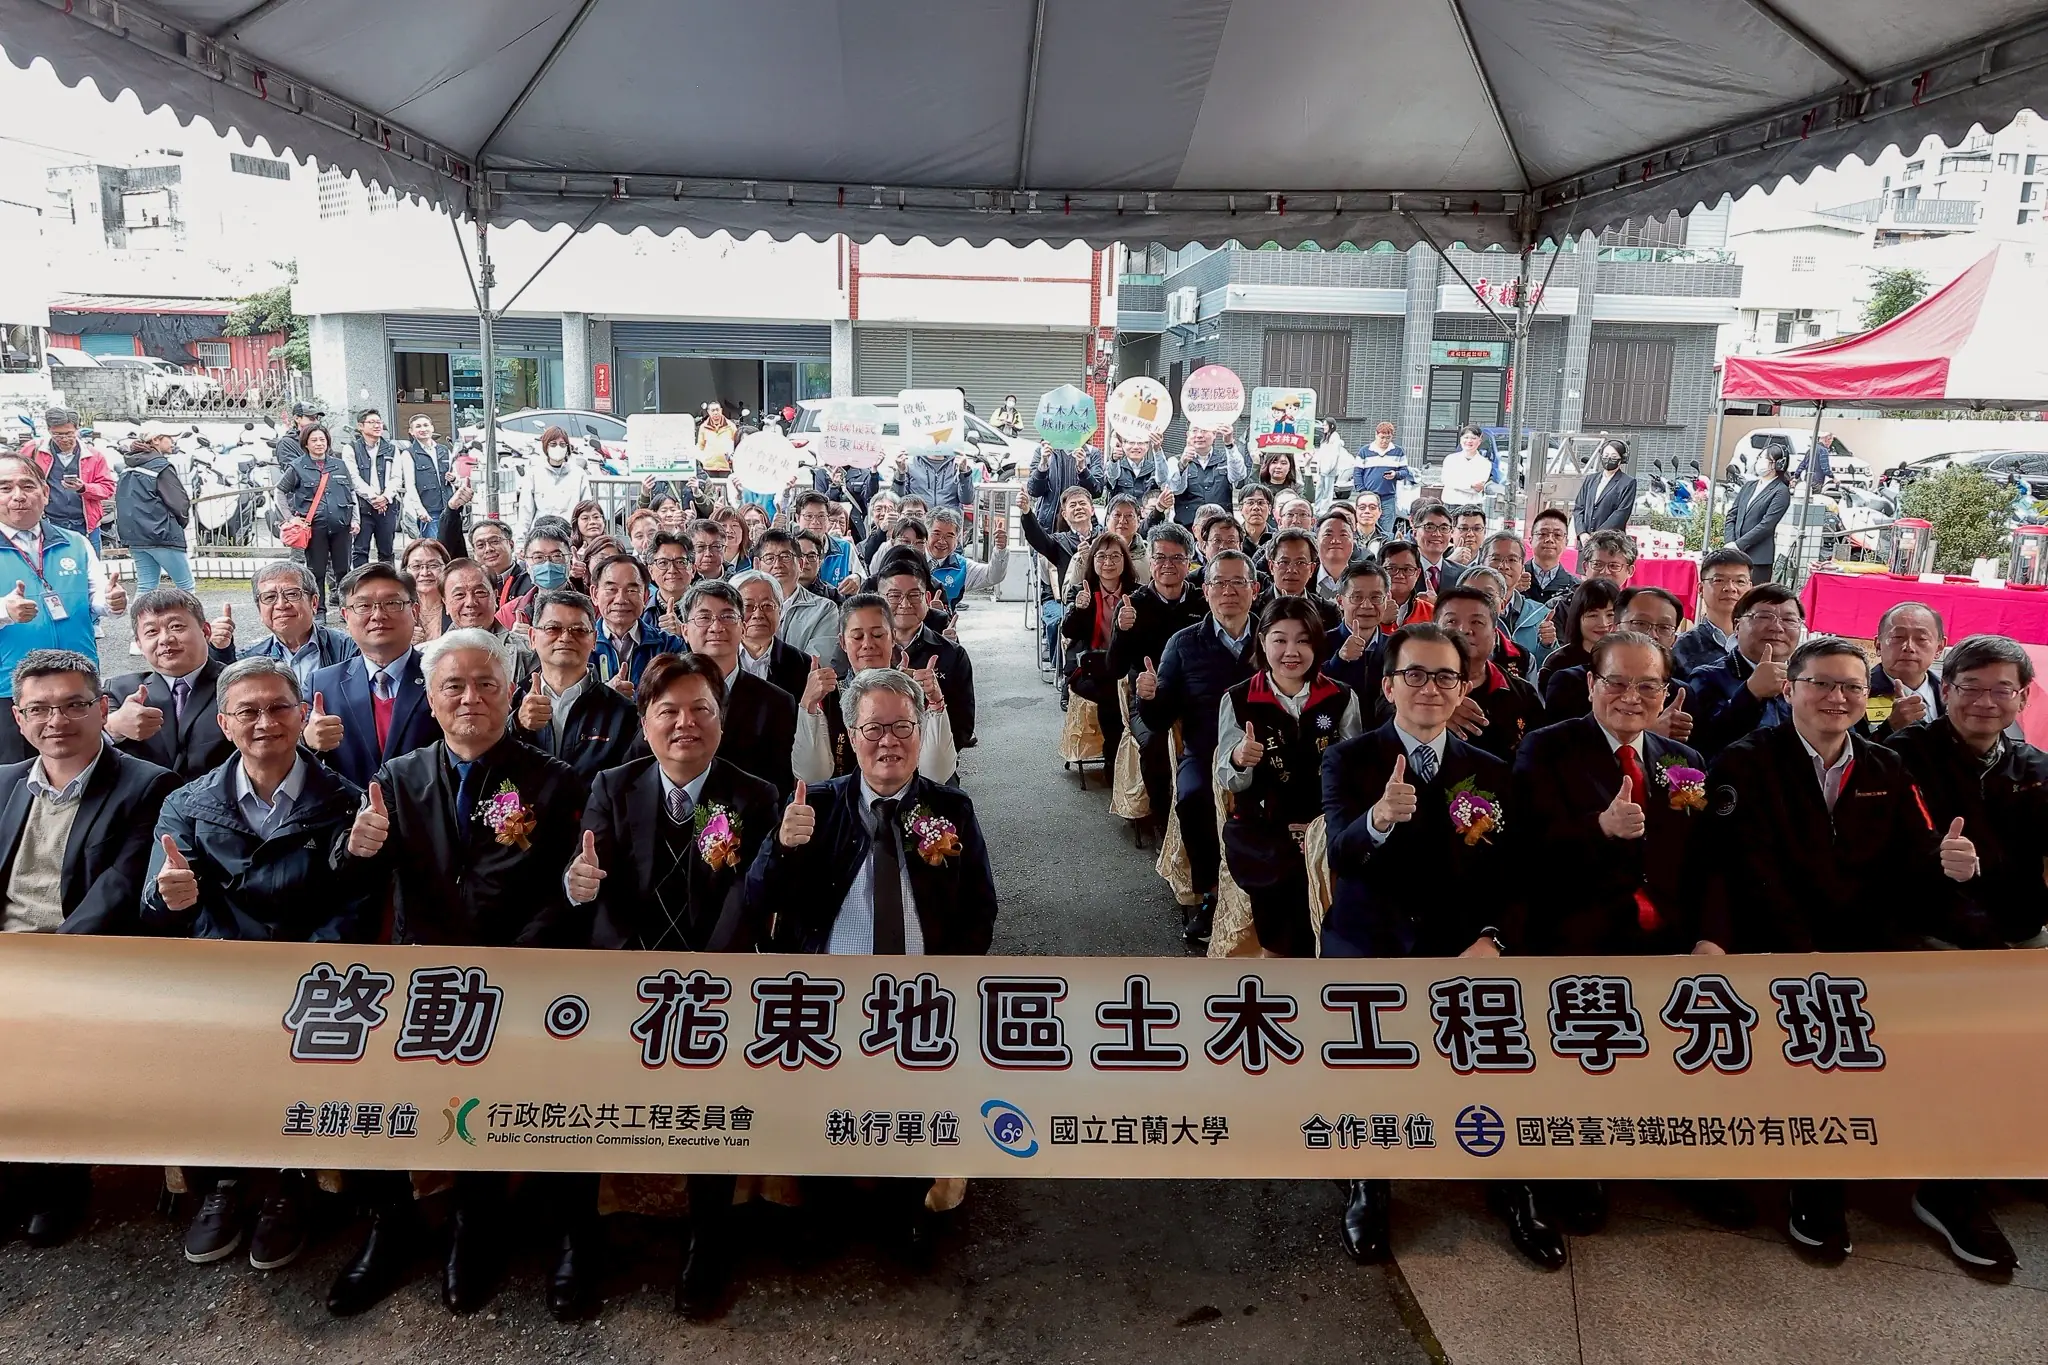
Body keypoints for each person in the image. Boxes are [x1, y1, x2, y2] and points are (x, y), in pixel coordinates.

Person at [327, 629, 586, 1319]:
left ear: (509, 691)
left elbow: (563, 887)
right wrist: (354, 850)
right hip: (423, 977)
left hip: (517, 977)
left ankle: (477, 1224)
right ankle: (391, 1224)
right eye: (453, 686)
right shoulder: (397, 777)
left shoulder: (553, 780)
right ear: (432, 698)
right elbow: (357, 881)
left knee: (490, 1102)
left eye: (485, 684)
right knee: (367, 1086)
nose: (470, 698)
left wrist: (511, 962)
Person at [1695, 637, 1978, 1264]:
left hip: (1866, 948)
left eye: (1851, 686)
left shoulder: (1885, 767)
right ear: (1790, 689)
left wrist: (1947, 864)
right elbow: (1735, 867)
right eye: (1821, 683)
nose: (1837, 697)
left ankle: (1945, 1188)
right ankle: (1814, 1182)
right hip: (1775, 947)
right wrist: (1789, 953)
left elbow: (1916, 854)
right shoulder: (1746, 761)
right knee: (1813, 1045)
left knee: (1945, 1032)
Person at [744, 667, 998, 1262]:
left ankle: (905, 1209)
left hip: (918, 997)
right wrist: (782, 847)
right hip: (829, 997)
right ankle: (825, 1210)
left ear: (920, 732)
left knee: (911, 1111)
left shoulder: (950, 808)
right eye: (874, 729)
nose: (889, 742)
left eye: (902, 727)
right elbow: (759, 899)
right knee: (826, 1111)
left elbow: (980, 908)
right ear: (850, 738)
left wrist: (949, 984)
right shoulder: (815, 804)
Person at [564, 650, 779, 1319]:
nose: (685, 724)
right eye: (669, 712)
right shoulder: (613, 785)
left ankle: (707, 1241)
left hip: (714, 987)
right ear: (645, 721)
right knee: (575, 1090)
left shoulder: (754, 795)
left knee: (717, 1097)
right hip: (625, 981)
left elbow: (748, 901)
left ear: (722, 719)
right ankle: (577, 1241)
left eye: (700, 710)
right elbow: (592, 882)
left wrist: (703, 983)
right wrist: (576, 888)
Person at [142, 655, 373, 1273]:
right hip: (222, 972)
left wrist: (306, 968)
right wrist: (172, 901)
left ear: (302, 716)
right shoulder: (187, 804)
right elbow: (163, 898)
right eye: (248, 711)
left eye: (278, 708)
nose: (265, 722)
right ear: (224, 723)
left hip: (312, 976)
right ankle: (225, 1181)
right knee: (206, 1046)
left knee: (307, 1042)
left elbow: (357, 903)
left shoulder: (344, 802)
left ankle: (288, 1185)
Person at [1318, 625, 1535, 1266]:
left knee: (1502, 1049)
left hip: (1461, 942)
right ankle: (1369, 1181)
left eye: (1445, 676)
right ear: (1388, 686)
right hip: (1371, 938)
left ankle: (1512, 1180)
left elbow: (1514, 875)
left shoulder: (1491, 770)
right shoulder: (1349, 759)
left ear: (1463, 687)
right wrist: (1378, 819)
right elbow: (1340, 853)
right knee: (1369, 1061)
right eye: (1414, 674)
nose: (1430, 688)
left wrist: (1493, 939)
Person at [1511, 627, 1711, 1239]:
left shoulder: (1682, 760)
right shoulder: (1547, 748)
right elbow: (1527, 849)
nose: (1632, 696)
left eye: (1648, 686)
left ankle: (1677, 1160)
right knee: (1586, 1054)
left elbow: (1705, 859)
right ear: (1591, 684)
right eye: (1617, 682)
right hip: (1578, 929)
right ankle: (1579, 1165)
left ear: (1666, 692)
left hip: (1667, 933)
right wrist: (1598, 827)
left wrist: (1711, 936)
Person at [0, 648, 179, 1248]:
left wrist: (43, 963)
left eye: (73, 705)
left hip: (85, 957)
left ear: (103, 709)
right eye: (39, 709)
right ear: (19, 718)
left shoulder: (146, 785)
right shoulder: (3, 784)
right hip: (8, 953)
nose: (56, 721)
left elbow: (120, 888)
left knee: (48, 1029)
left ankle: (58, 1178)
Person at [1883, 633, 2043, 1272]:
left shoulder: (2033, 766)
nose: (1984, 701)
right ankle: (1948, 1188)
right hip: (1931, 932)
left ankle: (2023, 1153)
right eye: (1969, 687)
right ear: (1944, 690)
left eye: (2001, 689)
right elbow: (1887, 857)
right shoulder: (1901, 756)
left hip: (2014, 936)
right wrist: (1939, 865)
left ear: (2023, 697)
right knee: (1979, 1026)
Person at [1215, 597, 1363, 957]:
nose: (1291, 651)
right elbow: (1228, 779)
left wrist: (1323, 826)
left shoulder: (1341, 697)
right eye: (1280, 640)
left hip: (1324, 823)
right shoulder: (1238, 699)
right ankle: (1278, 963)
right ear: (1262, 642)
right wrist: (1239, 758)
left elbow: (1354, 774)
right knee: (1283, 880)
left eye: (1303, 640)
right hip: (1262, 824)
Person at [1132, 549, 1259, 945]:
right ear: (1205, 591)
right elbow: (1158, 720)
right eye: (1219, 582)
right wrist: (1148, 698)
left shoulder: (1273, 637)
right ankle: (1211, 894)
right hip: (1204, 751)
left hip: (1265, 751)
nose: (1228, 591)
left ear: (1255, 589)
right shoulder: (1183, 643)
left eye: (1238, 582)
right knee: (1191, 798)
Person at [794, 593, 957, 785]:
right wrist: (808, 706)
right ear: (842, 642)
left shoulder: (916, 691)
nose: (868, 644)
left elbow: (938, 775)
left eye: (878, 635)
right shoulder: (826, 695)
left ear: (893, 637)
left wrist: (936, 702)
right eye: (857, 636)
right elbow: (811, 777)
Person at [304, 564, 439, 789]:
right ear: (346, 616)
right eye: (363, 606)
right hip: (351, 808)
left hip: (428, 807)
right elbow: (296, 764)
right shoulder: (322, 684)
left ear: (415, 611)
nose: (378, 615)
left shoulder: (441, 677)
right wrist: (308, 741)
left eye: (392, 603)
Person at [1108, 524, 1205, 832]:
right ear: (1150, 562)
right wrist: (1122, 631)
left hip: (1196, 695)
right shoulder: (1132, 604)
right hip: (1148, 696)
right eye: (1160, 557)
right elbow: (1115, 669)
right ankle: (1164, 821)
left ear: (1189, 562)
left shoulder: (1203, 602)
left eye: (1177, 558)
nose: (1168, 565)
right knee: (1154, 743)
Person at [676, 579, 798, 796]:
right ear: (685, 630)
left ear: (742, 627)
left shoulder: (777, 703)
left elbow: (779, 785)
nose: (716, 627)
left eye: (727, 617)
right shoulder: (665, 694)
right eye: (704, 617)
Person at [508, 589, 643, 780]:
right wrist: (517, 724)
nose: (565, 637)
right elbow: (486, 760)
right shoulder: (510, 702)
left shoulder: (622, 712)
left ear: (594, 640)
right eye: (553, 628)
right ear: (532, 637)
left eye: (579, 630)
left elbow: (629, 782)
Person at [101, 587, 234, 780]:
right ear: (139, 643)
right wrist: (114, 727)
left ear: (205, 631)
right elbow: (80, 751)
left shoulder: (238, 685)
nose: (165, 639)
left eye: (176, 627)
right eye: (151, 631)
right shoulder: (120, 691)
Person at [1540, 586, 1688, 727]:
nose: (1653, 634)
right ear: (1615, 628)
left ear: (1674, 639)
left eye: (1664, 627)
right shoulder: (1569, 684)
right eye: (1640, 623)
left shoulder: (1682, 694)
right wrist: (1648, 735)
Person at [1686, 583, 1803, 759]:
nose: (1777, 627)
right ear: (1737, 625)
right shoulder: (1707, 677)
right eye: (1763, 617)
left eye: (1789, 620)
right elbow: (1702, 744)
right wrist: (1751, 693)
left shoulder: (1805, 680)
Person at [1435, 585, 1545, 762]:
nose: (1464, 630)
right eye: (1452, 621)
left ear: (1495, 636)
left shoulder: (1522, 694)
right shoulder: (1412, 687)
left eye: (1477, 622)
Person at [207, 561, 360, 687]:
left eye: (292, 594)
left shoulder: (348, 650)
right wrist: (220, 650)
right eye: (269, 597)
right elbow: (226, 694)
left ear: (314, 603)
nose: (281, 605)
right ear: (260, 609)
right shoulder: (250, 659)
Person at [1062, 533, 1141, 767]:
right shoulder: (1081, 592)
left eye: (1115, 556)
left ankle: (1133, 758)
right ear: (1093, 561)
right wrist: (1078, 609)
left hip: (1128, 667)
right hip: (1090, 669)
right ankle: (1114, 759)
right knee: (1111, 694)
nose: (1108, 562)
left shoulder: (1138, 594)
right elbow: (1068, 631)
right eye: (1102, 556)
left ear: (1125, 560)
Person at [273, 424, 358, 619]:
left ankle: (347, 610)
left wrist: (355, 519)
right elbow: (280, 491)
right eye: (314, 440)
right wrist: (290, 518)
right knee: (316, 571)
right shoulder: (297, 466)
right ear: (306, 443)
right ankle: (319, 612)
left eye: (322, 439)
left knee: (343, 570)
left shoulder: (339, 465)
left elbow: (351, 492)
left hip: (341, 525)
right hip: (315, 528)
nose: (319, 443)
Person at [590, 553, 687, 691]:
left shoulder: (669, 645)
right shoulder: (580, 644)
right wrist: (606, 695)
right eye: (611, 589)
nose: (621, 599)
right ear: (595, 594)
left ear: (646, 596)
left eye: (631, 590)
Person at [21, 407, 113, 551]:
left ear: (77, 429)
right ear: (49, 430)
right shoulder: (35, 451)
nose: (64, 439)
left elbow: (107, 488)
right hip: (48, 523)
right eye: (57, 434)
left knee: (89, 563)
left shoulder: (94, 456)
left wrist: (84, 488)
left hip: (86, 525)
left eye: (69, 433)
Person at [118, 424, 197, 592]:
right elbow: (179, 501)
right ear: (156, 440)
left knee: (146, 586)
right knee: (185, 586)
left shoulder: (128, 467)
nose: (173, 441)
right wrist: (180, 523)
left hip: (134, 535)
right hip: (161, 533)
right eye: (170, 437)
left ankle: (138, 612)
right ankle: (188, 611)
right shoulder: (160, 466)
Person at [1863, 601, 1945, 735]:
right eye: (1897, 637)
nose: (1908, 647)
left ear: (1939, 647)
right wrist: (1890, 728)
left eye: (1921, 639)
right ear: (1878, 646)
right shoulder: (1857, 692)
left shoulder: (1952, 694)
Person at [1533, 577, 1620, 699]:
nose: (1603, 623)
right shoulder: (1557, 664)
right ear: (1577, 618)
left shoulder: (1630, 660)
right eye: (1593, 615)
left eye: (1610, 614)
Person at [441, 558, 536, 669]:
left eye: (480, 592)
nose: (470, 602)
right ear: (445, 603)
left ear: (495, 597)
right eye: (459, 595)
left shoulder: (527, 652)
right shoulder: (430, 657)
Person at [1481, 531, 1555, 671]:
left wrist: (1547, 645)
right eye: (1496, 558)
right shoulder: (1466, 609)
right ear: (1481, 562)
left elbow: (1545, 671)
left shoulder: (1540, 614)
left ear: (1522, 568)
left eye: (1512, 560)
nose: (1503, 566)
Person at [731, 570, 809, 700]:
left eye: (767, 605)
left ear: (780, 611)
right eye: (748, 606)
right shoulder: (717, 660)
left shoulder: (802, 664)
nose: (758, 615)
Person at [1672, 549, 1750, 677]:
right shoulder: (1684, 646)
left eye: (1740, 581)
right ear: (1700, 589)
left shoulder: (1760, 641)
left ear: (1750, 588)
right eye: (1719, 580)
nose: (1730, 588)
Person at [347, 409, 411, 568]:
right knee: (360, 550)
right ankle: (361, 581)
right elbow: (353, 477)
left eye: (379, 422)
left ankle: (388, 580)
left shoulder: (391, 449)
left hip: (386, 506)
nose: (377, 426)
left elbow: (397, 477)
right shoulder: (352, 448)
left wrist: (385, 497)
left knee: (387, 550)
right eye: (372, 422)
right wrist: (373, 497)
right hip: (362, 507)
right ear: (361, 426)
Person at [1726, 439, 1792, 585]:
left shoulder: (1781, 491)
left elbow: (1766, 525)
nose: (1759, 461)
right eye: (1759, 457)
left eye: (1764, 458)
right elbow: (1732, 515)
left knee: (1754, 597)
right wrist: (1730, 543)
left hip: (1758, 559)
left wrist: (1739, 545)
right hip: (1735, 555)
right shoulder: (1749, 486)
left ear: (1778, 464)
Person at [1323, 562, 1390, 702]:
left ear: (1387, 600)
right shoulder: (1320, 642)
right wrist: (1339, 660)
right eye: (1357, 597)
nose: (1367, 605)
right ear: (1340, 601)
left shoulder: (1396, 647)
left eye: (1376, 597)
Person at [1255, 529, 1341, 633]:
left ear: (1312, 569)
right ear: (1271, 567)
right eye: (1284, 562)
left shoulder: (1328, 612)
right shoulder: (1254, 607)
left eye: (1300, 562)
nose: (1292, 570)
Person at [926, 507, 1009, 610]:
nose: (942, 541)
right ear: (926, 534)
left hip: (945, 619)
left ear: (957, 539)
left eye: (949, 536)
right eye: (936, 534)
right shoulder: (912, 559)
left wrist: (1000, 550)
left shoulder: (961, 567)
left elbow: (992, 576)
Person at [517, 426, 593, 536]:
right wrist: (520, 540)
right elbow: (525, 513)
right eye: (553, 444)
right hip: (541, 535)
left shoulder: (579, 474)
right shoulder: (534, 474)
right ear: (545, 447)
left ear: (567, 447)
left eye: (562, 444)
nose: (558, 448)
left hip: (569, 535)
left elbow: (586, 509)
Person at [496, 524, 573, 629]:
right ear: (527, 565)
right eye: (538, 557)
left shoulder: (591, 606)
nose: (548, 564)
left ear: (570, 561)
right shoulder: (509, 613)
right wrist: (511, 638)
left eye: (556, 556)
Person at [1168, 426, 1242, 531]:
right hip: (1187, 530)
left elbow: (1239, 475)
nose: (1199, 435)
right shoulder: (1175, 461)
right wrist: (1182, 464)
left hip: (1222, 529)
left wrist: (1229, 445)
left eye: (1204, 430)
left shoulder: (1227, 459)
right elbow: (1174, 489)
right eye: (1194, 431)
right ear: (1187, 435)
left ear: (1214, 434)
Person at [1351, 423, 1411, 539]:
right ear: (1376, 435)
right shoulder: (1365, 451)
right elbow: (1357, 473)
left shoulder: (1398, 451)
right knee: (1367, 527)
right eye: (1382, 437)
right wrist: (1363, 492)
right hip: (1369, 497)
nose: (1385, 441)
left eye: (1388, 438)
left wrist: (1396, 474)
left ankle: (1384, 548)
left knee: (1386, 531)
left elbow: (1405, 472)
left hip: (1388, 497)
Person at [402, 413, 455, 538]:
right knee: (432, 546)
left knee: (450, 546)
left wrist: (454, 479)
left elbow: (456, 476)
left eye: (426, 425)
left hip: (448, 507)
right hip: (429, 511)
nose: (423, 429)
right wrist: (420, 510)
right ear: (411, 431)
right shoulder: (409, 454)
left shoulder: (444, 450)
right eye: (418, 426)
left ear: (432, 428)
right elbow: (410, 485)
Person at [467, 519, 531, 618]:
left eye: (494, 541)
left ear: (511, 544)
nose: (488, 549)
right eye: (480, 545)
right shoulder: (470, 586)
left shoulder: (530, 582)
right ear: (474, 552)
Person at [1572, 438, 1635, 538]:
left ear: (1622, 459)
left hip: (1609, 540)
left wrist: (1597, 536)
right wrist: (1582, 533)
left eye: (1614, 456)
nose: (1609, 459)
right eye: (1606, 456)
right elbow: (1579, 507)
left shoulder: (1628, 482)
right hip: (1585, 540)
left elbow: (1621, 513)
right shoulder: (1590, 479)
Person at [1523, 507, 1578, 607]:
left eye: (1557, 535)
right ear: (1530, 540)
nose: (1549, 539)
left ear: (1566, 542)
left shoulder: (1576, 588)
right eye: (1543, 533)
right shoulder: (1514, 578)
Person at [402, 538, 451, 643]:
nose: (424, 573)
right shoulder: (398, 608)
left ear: (447, 568)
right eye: (416, 566)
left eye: (433, 565)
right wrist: (401, 642)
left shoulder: (458, 605)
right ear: (405, 571)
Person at [1410, 503, 1464, 594]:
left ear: (1451, 533)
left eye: (1444, 528)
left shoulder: (1462, 574)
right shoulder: (1403, 571)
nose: (1437, 534)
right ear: (1415, 533)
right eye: (1429, 527)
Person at [1440, 426, 1493, 508]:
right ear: (1461, 440)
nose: (1469, 441)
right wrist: (1471, 485)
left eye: (1473, 438)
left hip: (1473, 507)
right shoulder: (1450, 459)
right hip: (1450, 505)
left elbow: (1477, 488)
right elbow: (1447, 481)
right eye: (1466, 437)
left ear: (1479, 441)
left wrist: (1457, 482)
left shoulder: (1485, 463)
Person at [1312, 511, 1358, 599]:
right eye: (1328, 534)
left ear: (1353, 542)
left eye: (1343, 535)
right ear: (1316, 542)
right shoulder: (1304, 578)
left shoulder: (1365, 578)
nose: (1336, 541)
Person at [1105, 436, 1165, 503]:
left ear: (1147, 446)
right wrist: (1114, 460)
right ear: (1123, 445)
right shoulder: (1116, 466)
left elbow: (1163, 481)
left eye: (1140, 443)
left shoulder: (1155, 468)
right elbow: (1111, 476)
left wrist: (1157, 450)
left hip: (1147, 509)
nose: (1136, 447)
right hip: (1122, 508)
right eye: (1131, 442)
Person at [696, 402, 737, 475]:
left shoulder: (731, 426)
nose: (715, 413)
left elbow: (737, 444)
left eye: (717, 410)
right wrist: (704, 460)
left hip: (726, 466)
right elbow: (700, 446)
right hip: (709, 467)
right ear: (708, 412)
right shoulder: (703, 427)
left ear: (721, 410)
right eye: (713, 410)